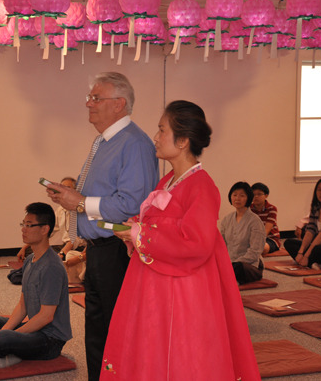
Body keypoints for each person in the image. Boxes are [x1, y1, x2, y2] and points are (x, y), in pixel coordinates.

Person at [100, 101, 260, 380]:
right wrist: (134, 229)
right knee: (153, 345)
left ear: (183, 140)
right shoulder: (168, 181)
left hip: (185, 287)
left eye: (162, 130)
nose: (156, 137)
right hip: (156, 281)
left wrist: (141, 233)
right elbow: (158, 224)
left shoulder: (202, 185)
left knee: (180, 353)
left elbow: (195, 243)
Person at [47, 72, 159, 381]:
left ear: (119, 104)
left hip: (118, 251)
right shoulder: (105, 141)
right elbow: (101, 196)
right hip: (98, 250)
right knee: (98, 330)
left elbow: (132, 204)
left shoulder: (134, 144)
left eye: (96, 98)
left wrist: (80, 202)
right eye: (90, 97)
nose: (88, 103)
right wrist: (70, 197)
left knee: (116, 331)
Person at [0, 203, 72, 368]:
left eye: (29, 225)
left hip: (49, 340)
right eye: (23, 224)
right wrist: (6, 330)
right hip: (34, 329)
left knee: (4, 339)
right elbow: (23, 306)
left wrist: (9, 334)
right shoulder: (29, 260)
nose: (23, 229)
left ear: (44, 229)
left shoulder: (52, 267)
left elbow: (46, 317)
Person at [17, 177, 85, 262]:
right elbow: (48, 230)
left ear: (75, 191)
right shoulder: (60, 210)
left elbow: (75, 240)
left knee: (67, 256)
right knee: (30, 251)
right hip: (65, 245)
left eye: (68, 188)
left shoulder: (79, 210)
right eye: (62, 188)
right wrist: (24, 247)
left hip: (78, 248)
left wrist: (62, 253)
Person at [221, 182, 266, 284]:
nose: (237, 198)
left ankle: (227, 274)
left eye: (242, 195)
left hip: (248, 265)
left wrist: (232, 263)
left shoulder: (255, 221)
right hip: (230, 263)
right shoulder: (226, 219)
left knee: (237, 267)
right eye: (235, 195)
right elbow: (221, 246)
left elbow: (255, 251)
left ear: (248, 198)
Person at [250, 182, 281, 255]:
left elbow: (266, 230)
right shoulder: (248, 209)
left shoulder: (272, 209)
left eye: (259, 194)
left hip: (270, 238)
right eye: (253, 194)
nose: (256, 197)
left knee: (262, 248)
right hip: (252, 238)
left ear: (266, 195)